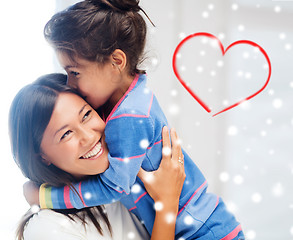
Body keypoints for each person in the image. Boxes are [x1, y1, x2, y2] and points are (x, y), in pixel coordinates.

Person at [25, 0, 245, 239]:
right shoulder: (135, 95)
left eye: (75, 72)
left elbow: (114, 187)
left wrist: (45, 196)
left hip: (204, 231)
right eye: (66, 133)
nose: (70, 83)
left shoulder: (127, 117)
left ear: (116, 62)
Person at [9, 73, 186, 240]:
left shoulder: (125, 172)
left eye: (86, 115)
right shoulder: (46, 229)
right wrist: (167, 204)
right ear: (42, 157)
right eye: (66, 134)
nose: (88, 136)